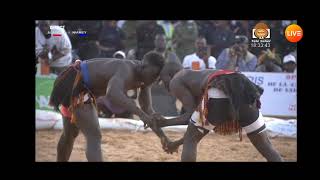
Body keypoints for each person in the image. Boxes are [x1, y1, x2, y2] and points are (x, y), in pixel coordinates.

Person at [49, 51, 171, 161]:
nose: (154, 79)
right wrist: (141, 114)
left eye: (157, 76)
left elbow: (148, 111)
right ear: (144, 66)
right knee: (94, 135)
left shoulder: (145, 80)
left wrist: (164, 138)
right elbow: (112, 93)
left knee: (70, 134)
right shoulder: (127, 69)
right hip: (75, 84)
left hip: (76, 83)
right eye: (153, 75)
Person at [151, 65, 284, 162]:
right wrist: (175, 143)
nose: (162, 85)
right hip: (246, 90)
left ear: (168, 75)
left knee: (191, 141)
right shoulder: (197, 75)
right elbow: (202, 126)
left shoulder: (177, 79)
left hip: (220, 90)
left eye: (161, 81)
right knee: (266, 146)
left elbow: (190, 118)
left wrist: (165, 122)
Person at [150, 34, 181, 116]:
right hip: (154, 90)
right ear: (154, 42)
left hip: (169, 89)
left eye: (162, 40)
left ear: (166, 42)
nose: (160, 42)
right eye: (158, 40)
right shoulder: (149, 56)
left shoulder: (172, 55)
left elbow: (179, 71)